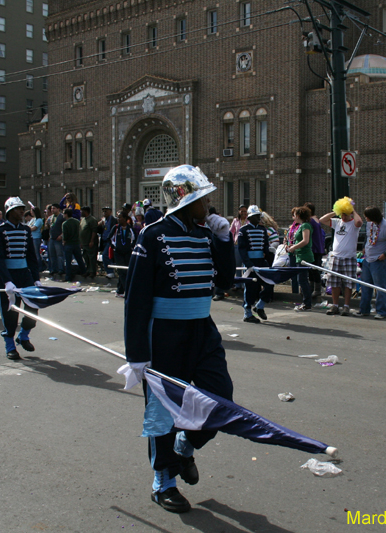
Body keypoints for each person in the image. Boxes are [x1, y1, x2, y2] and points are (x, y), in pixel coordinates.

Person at [123, 165, 234, 514]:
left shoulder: (204, 234)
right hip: (165, 334)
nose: (209, 204)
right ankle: (163, 481)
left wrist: (224, 240)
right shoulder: (153, 235)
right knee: (161, 411)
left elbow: (227, 281)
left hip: (203, 329)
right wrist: (137, 353)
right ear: (185, 200)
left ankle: (185, 447)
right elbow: (136, 298)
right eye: (203, 199)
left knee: (221, 399)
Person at [0, 197, 41, 360]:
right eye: (18, 209)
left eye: (22, 208)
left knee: (33, 307)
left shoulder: (26, 230)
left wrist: (36, 278)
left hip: (24, 274)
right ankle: (10, 345)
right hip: (8, 276)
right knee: (10, 311)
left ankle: (24, 335)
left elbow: (31, 256)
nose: (22, 211)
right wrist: (7, 281)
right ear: (10, 211)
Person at [319, 197, 362, 316]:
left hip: (349, 257)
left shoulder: (353, 224)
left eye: (345, 214)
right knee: (334, 282)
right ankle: (335, 305)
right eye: (342, 214)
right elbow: (322, 220)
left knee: (348, 283)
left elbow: (359, 222)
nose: (343, 216)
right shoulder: (337, 222)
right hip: (336, 257)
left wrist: (352, 210)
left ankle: (346, 306)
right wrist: (336, 211)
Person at [356, 206, 386, 319]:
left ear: (373, 216)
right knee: (365, 285)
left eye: (367, 216)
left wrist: (385, 254)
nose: (365, 218)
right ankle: (364, 310)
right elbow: (367, 236)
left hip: (378, 261)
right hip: (367, 259)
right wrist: (364, 246)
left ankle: (381, 311)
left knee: (380, 287)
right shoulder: (370, 224)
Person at [237, 205, 273, 323]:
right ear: (250, 217)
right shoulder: (243, 230)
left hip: (261, 262)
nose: (259, 218)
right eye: (256, 216)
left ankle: (260, 306)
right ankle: (247, 313)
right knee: (250, 288)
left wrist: (268, 259)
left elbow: (266, 246)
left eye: (259, 216)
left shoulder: (263, 230)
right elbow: (242, 249)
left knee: (269, 284)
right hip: (250, 263)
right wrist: (248, 264)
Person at [287, 206, 314, 311]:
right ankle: (306, 302)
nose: (293, 217)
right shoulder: (302, 225)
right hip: (299, 255)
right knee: (302, 280)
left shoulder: (306, 225)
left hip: (304, 256)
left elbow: (305, 240)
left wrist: (294, 247)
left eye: (294, 215)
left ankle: (307, 303)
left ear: (298, 215)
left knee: (302, 280)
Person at [303, 202, 326, 297]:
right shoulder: (316, 219)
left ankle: (316, 289)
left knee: (314, 269)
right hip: (318, 247)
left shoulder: (310, 221)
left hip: (314, 248)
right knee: (313, 269)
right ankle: (313, 288)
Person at [109, 214, 134, 297]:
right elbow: (110, 238)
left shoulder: (130, 228)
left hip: (127, 253)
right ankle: (128, 291)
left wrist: (130, 247)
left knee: (126, 271)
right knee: (121, 271)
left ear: (125, 219)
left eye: (120, 217)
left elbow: (134, 239)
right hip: (118, 253)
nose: (118, 219)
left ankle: (119, 291)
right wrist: (114, 246)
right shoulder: (116, 228)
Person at [61, 208, 86, 282]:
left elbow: (65, 235)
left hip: (68, 244)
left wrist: (64, 242)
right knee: (79, 259)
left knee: (68, 261)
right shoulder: (77, 222)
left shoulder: (65, 224)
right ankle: (83, 272)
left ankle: (68, 277)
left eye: (63, 213)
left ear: (66, 214)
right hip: (76, 243)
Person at [79, 206, 99, 278]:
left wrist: (92, 241)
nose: (81, 213)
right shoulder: (83, 219)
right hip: (84, 242)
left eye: (82, 211)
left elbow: (94, 231)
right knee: (85, 257)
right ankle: (87, 270)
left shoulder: (92, 220)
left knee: (92, 257)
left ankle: (92, 271)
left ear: (86, 212)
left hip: (90, 242)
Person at [98, 206, 117, 277]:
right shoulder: (103, 220)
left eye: (106, 211)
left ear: (110, 212)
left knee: (105, 255)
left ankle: (110, 272)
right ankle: (110, 271)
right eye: (103, 211)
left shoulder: (113, 220)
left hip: (110, 241)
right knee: (108, 256)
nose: (104, 213)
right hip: (104, 241)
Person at [48, 204, 65, 279]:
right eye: (51, 209)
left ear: (58, 209)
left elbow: (64, 228)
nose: (52, 210)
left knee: (59, 255)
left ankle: (60, 269)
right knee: (52, 255)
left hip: (58, 239)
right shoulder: (51, 217)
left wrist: (61, 236)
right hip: (52, 238)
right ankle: (53, 269)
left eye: (54, 208)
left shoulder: (62, 217)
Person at [28, 207, 44, 272]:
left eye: (32, 211)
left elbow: (34, 228)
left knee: (37, 253)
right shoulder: (33, 219)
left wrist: (28, 228)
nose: (31, 212)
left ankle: (40, 266)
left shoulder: (39, 220)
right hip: (31, 237)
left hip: (36, 238)